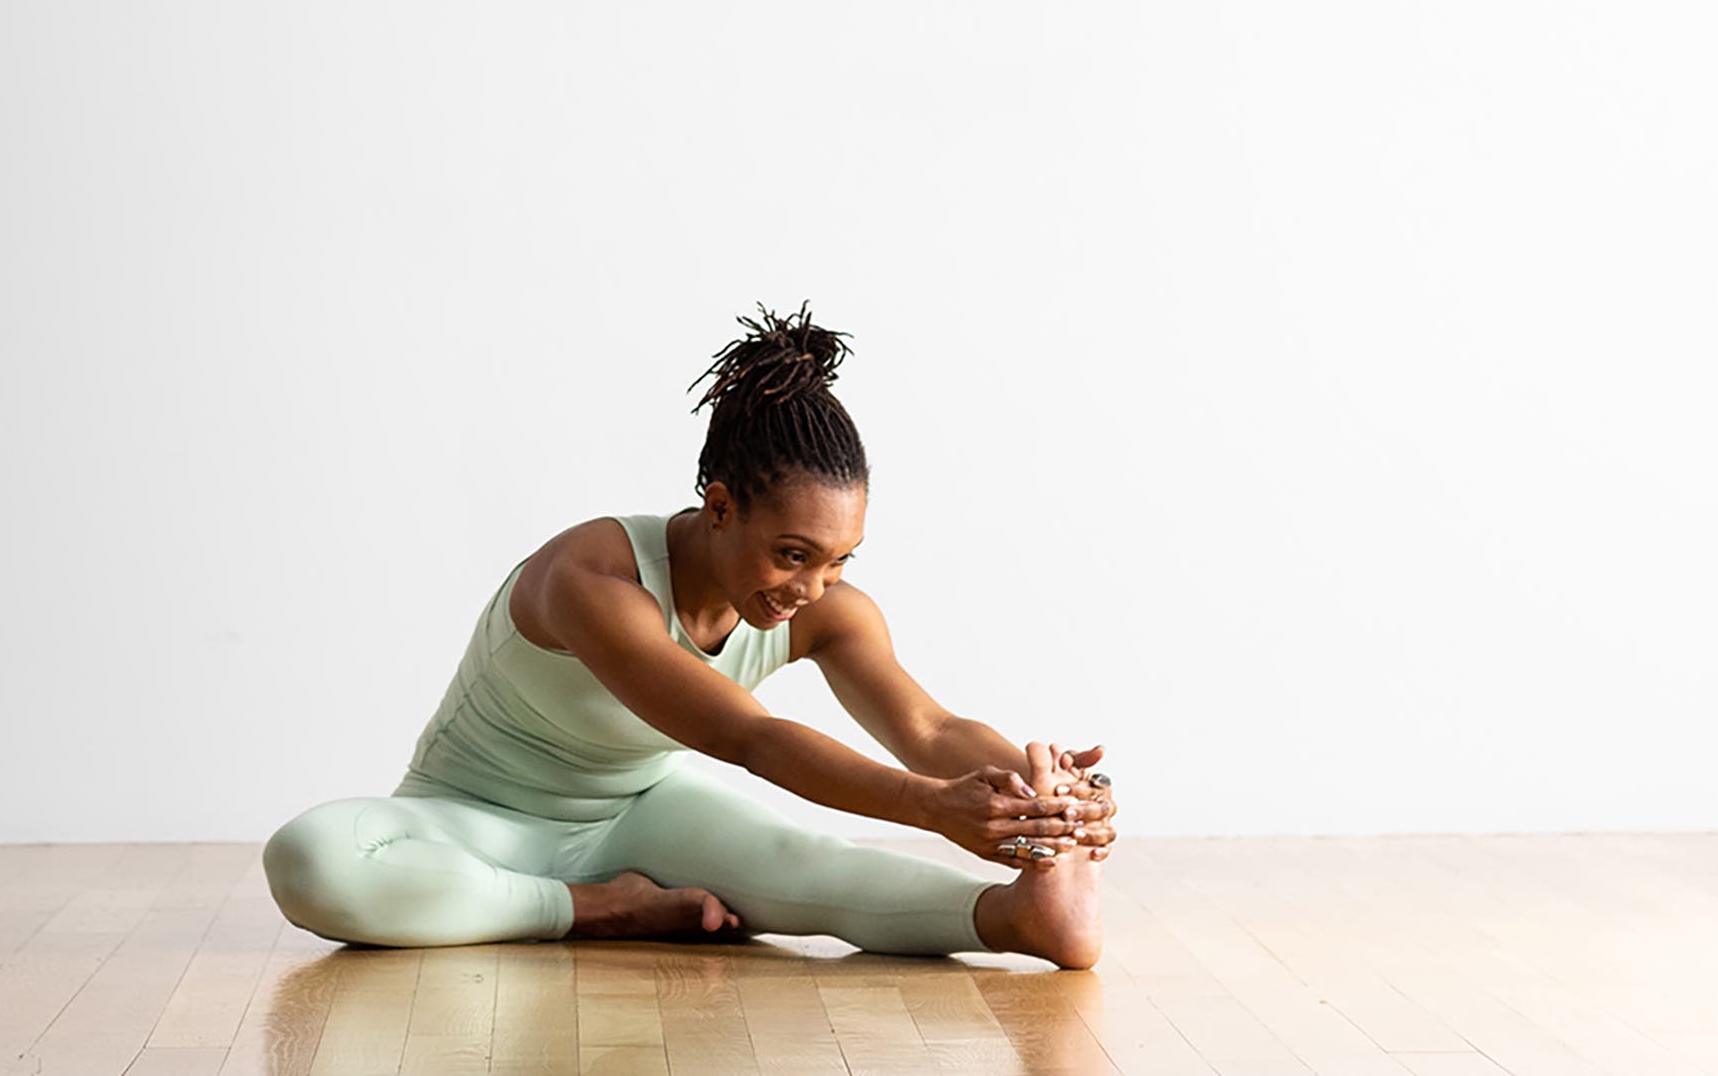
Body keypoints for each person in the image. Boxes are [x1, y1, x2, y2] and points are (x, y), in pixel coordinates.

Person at [261, 303, 1120, 966]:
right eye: (792, 554)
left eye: (839, 561)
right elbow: (741, 734)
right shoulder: (593, 578)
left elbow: (926, 730)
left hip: (639, 816)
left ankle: (1017, 917)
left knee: (808, 865)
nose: (811, 588)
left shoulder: (828, 606)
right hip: (474, 822)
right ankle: (593, 908)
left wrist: (1042, 803)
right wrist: (930, 807)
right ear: (718, 506)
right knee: (311, 861)